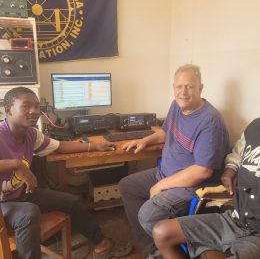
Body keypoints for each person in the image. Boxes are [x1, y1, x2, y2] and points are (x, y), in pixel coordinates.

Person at [0, 86, 127, 259]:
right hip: (4, 203)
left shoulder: (31, 134)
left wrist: (94, 146)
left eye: (37, 107)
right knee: (28, 214)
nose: (34, 111)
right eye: (26, 106)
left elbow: (60, 146)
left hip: (23, 194)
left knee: (73, 202)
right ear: (8, 109)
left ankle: (101, 245)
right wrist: (16, 164)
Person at [118, 64, 230, 256]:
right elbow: (164, 132)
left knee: (148, 215)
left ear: (200, 88)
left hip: (191, 186)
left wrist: (161, 185)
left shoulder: (210, 121)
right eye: (179, 87)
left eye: (189, 86)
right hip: (166, 174)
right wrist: (144, 140)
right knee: (127, 186)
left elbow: (202, 171)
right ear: (173, 88)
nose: (183, 92)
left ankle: (172, 248)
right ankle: (153, 249)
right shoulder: (176, 106)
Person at [152, 118, 260, 259]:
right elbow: (237, 153)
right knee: (161, 232)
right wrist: (230, 169)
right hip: (235, 219)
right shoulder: (255, 127)